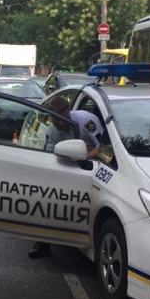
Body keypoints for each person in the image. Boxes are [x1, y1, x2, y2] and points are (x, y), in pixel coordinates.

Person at [29, 107, 103, 259]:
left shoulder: (86, 121)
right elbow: (50, 156)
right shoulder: (52, 130)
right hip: (67, 166)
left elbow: (102, 148)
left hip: (94, 167)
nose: (59, 123)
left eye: (62, 119)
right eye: (55, 119)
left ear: (68, 111)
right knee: (46, 199)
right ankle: (43, 243)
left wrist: (83, 156)